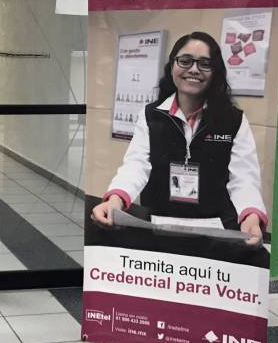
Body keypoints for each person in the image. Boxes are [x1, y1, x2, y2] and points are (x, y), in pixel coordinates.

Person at [91, 31, 267, 246]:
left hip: (217, 231)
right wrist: (116, 199)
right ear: (172, 65)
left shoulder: (233, 120)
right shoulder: (151, 115)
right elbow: (136, 165)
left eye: (205, 64)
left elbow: (244, 178)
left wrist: (251, 216)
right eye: (185, 61)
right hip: (160, 225)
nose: (194, 69)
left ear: (215, 71)